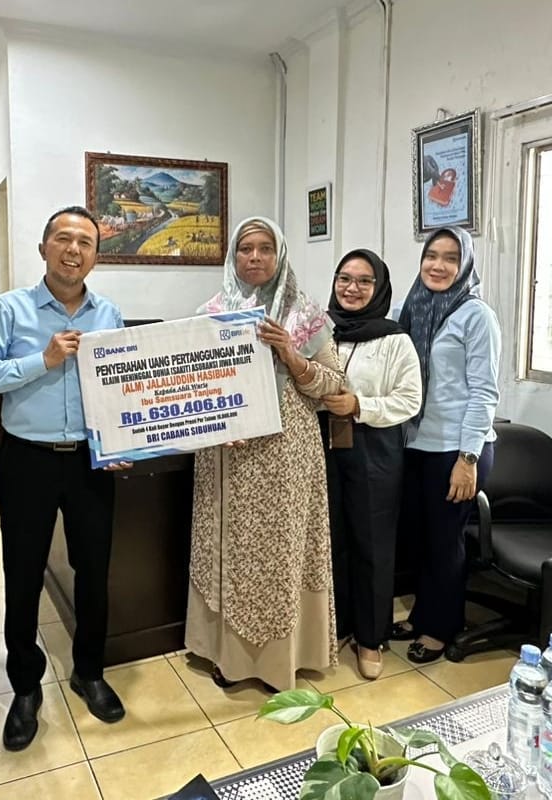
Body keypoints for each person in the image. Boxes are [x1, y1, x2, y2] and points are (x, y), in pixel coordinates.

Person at [0, 206, 131, 752]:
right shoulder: (9, 310)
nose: (73, 250)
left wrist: (124, 441)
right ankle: (26, 687)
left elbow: (122, 387)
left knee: (94, 572)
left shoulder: (110, 313)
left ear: (96, 256)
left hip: (90, 462)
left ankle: (89, 671)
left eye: (85, 242)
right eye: (63, 239)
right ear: (43, 248)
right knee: (23, 574)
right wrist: (43, 359)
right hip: (28, 461)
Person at [185, 216, 345, 693]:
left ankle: (282, 660)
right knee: (229, 552)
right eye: (245, 248)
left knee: (281, 553)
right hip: (227, 457)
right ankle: (226, 656)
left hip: (286, 459)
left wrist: (291, 354)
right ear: (232, 256)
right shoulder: (210, 313)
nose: (254, 257)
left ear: (280, 255)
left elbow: (334, 385)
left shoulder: (305, 315)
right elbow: (195, 386)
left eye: (265, 248)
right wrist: (217, 424)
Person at [390, 226, 501, 663]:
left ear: (465, 264)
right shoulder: (413, 307)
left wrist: (467, 458)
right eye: (431, 256)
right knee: (420, 538)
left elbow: (484, 392)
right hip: (417, 442)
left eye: (451, 258)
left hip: (458, 448)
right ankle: (423, 614)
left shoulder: (476, 315)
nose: (438, 265)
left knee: (445, 540)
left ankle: (441, 627)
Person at [319, 249, 422, 680]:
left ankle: (370, 637)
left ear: (379, 288)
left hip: (373, 447)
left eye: (364, 281)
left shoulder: (395, 340)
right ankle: (336, 626)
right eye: (345, 278)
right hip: (323, 444)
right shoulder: (320, 330)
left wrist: (360, 405)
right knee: (329, 539)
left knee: (372, 544)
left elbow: (410, 399)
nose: (352, 288)